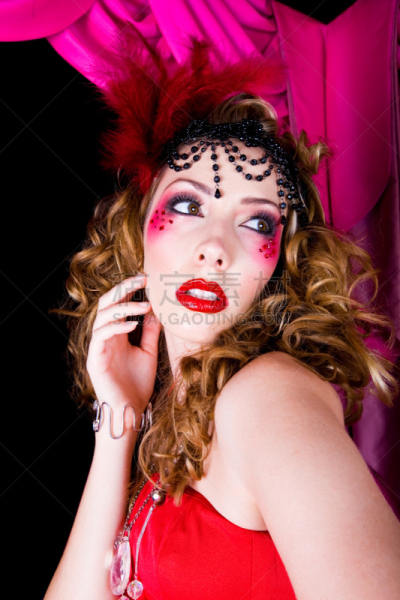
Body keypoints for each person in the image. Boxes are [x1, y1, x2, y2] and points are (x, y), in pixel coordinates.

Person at [44, 38, 400, 600]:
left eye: (256, 223)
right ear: (139, 228)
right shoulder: (176, 431)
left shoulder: (267, 397)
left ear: (277, 264)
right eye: (188, 206)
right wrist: (120, 423)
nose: (215, 249)